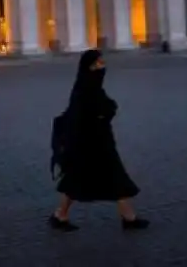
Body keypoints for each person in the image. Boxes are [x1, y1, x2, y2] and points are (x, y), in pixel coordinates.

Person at [49, 49, 149, 232]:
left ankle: (61, 215)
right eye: (100, 63)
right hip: (93, 142)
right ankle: (128, 218)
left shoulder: (88, 85)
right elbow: (91, 112)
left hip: (95, 140)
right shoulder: (87, 87)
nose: (103, 66)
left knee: (85, 178)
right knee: (110, 176)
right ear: (92, 65)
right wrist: (108, 110)